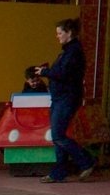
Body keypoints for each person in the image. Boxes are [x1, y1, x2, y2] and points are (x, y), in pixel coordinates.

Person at [39, 18, 96, 183]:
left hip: (67, 98)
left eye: (59, 33)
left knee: (57, 135)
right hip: (60, 97)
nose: (57, 36)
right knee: (59, 136)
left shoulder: (73, 52)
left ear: (69, 33)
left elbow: (63, 74)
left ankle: (86, 160)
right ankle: (59, 172)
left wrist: (46, 72)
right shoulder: (68, 51)